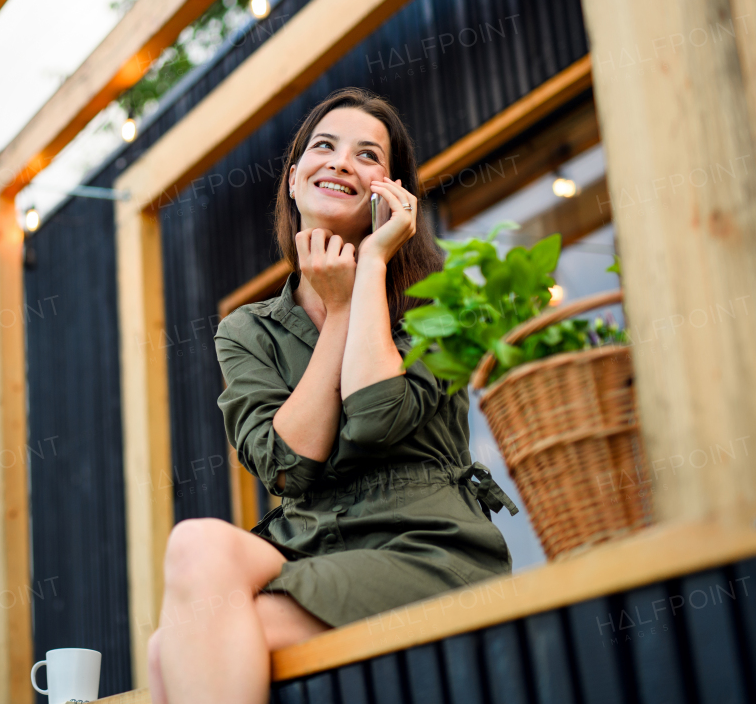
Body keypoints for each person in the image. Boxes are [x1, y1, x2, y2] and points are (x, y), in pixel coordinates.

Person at [147, 88, 516, 704]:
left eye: (366, 154)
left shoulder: (445, 302)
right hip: (309, 547)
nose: (341, 162)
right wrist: (338, 314)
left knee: (177, 650)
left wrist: (369, 269)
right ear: (294, 181)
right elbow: (287, 466)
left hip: (423, 547)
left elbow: (376, 417)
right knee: (194, 545)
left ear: (394, 193)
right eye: (325, 147)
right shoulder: (248, 329)